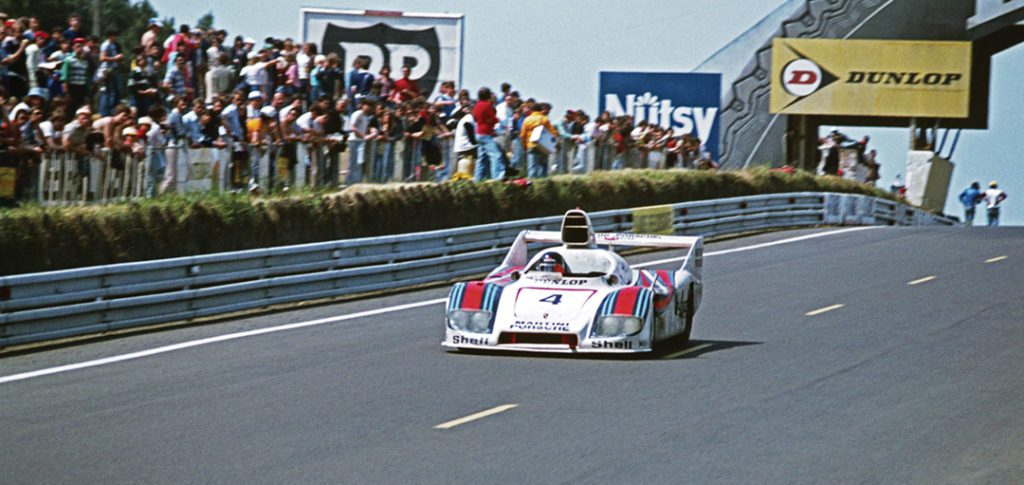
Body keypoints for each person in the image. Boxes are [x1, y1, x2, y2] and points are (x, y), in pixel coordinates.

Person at [520, 102, 558, 178]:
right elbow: (554, 133)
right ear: (540, 110)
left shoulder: (527, 120)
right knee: (543, 166)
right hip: (543, 145)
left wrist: (524, 146)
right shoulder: (544, 119)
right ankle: (543, 181)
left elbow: (522, 135)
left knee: (532, 167)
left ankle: (532, 183)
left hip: (531, 145)